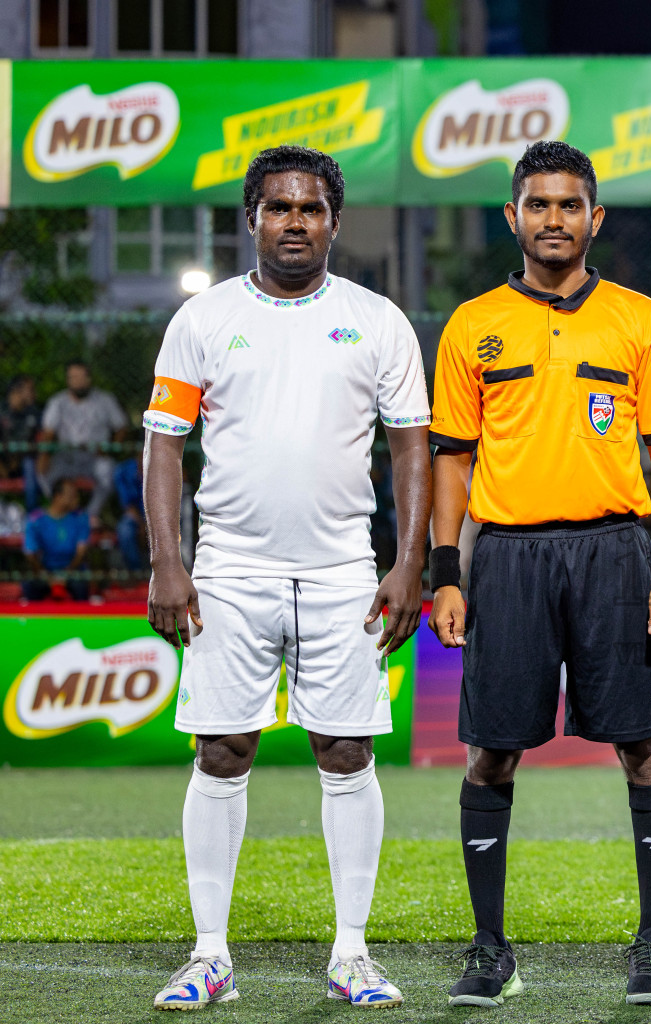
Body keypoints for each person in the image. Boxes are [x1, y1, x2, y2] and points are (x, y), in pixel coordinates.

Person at [143, 145, 430, 1011]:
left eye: (310, 209)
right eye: (278, 208)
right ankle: (209, 956)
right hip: (228, 568)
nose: (294, 221)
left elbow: (411, 444)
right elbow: (164, 444)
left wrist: (409, 559)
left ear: (335, 222)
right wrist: (168, 558)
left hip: (345, 567)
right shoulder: (205, 320)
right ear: (253, 219)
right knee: (223, 750)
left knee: (346, 751)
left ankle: (351, 954)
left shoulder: (378, 320)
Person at [427, 140, 651, 1008]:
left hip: (616, 552)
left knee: (642, 746)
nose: (553, 220)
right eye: (537, 205)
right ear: (513, 217)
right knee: (490, 753)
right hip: (506, 557)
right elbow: (452, 463)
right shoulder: (471, 326)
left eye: (568, 205)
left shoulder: (639, 320)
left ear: (594, 218)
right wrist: (446, 571)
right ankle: (490, 947)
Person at [38, 361, 127, 524]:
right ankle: (63, 512)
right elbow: (48, 432)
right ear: (67, 380)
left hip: (95, 457)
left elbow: (121, 427)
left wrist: (110, 449)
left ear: (89, 378)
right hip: (67, 456)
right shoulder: (58, 402)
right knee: (43, 473)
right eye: (73, 377)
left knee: (108, 472)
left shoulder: (105, 400)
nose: (77, 381)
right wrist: (44, 455)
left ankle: (89, 516)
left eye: (81, 377)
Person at [22, 477, 91, 601]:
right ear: (57, 496)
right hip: (45, 570)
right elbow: (30, 554)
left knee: (81, 586)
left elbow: (81, 553)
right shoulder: (36, 519)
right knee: (30, 586)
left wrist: (65, 575)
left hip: (72, 571)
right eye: (71, 495)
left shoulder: (80, 517)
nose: (76, 499)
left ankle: (81, 619)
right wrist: (48, 577)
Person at [0, 374, 42, 507]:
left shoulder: (35, 413)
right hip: (3, 461)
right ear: (17, 391)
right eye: (30, 389)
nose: (34, 393)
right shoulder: (2, 411)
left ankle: (32, 518)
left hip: (25, 463)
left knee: (30, 466)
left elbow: (40, 443)